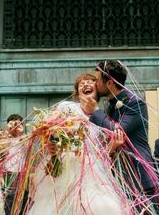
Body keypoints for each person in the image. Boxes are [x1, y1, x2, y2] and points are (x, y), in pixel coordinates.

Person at [27, 73, 131, 215]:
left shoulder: (103, 117)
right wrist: (51, 148)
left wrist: (111, 147)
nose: (86, 85)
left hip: (92, 170)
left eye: (90, 82)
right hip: (65, 164)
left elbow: (101, 154)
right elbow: (51, 133)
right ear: (77, 91)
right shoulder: (66, 107)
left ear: (98, 89)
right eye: (81, 84)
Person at [80, 60, 159, 214]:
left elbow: (117, 131)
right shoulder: (110, 105)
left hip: (141, 176)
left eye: (97, 80)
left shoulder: (135, 102)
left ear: (109, 83)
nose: (95, 84)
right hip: (120, 179)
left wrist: (95, 110)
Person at [0, 114, 29, 215]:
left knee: (22, 201)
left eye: (17, 123)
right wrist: (7, 132)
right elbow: (2, 153)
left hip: (22, 174)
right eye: (12, 123)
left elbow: (28, 149)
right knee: (9, 202)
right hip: (8, 174)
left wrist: (19, 134)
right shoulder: (3, 137)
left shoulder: (25, 137)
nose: (15, 126)